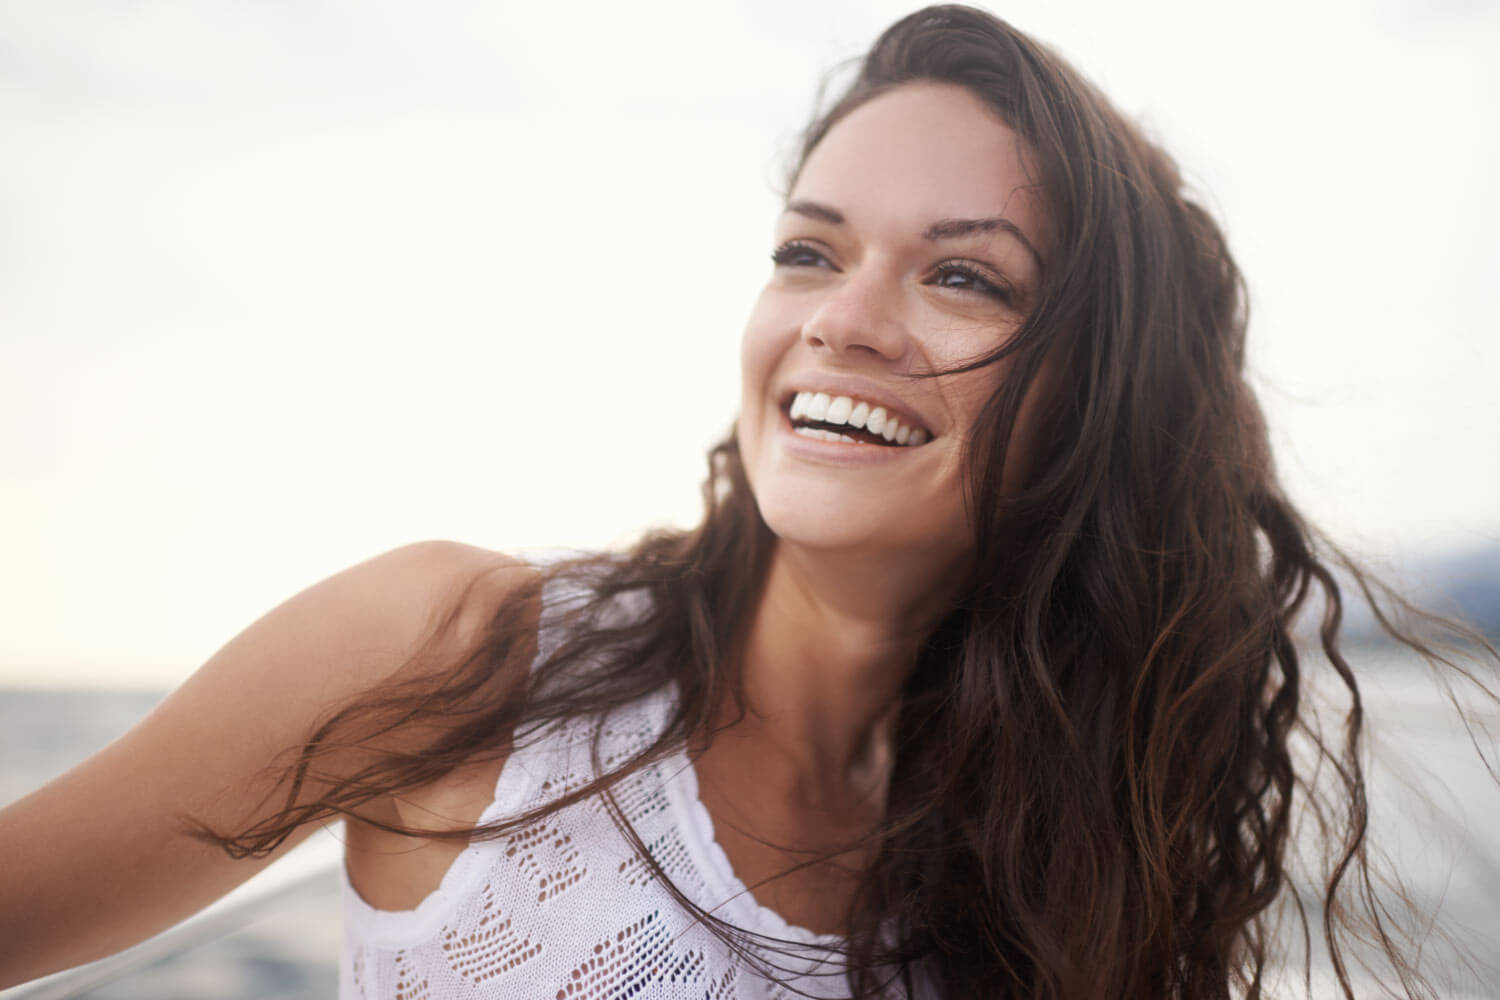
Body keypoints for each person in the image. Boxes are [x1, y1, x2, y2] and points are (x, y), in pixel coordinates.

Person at [0, 5, 1491, 998]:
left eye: (962, 275)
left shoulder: (1057, 862)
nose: (844, 318)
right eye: (809, 251)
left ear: (1097, 399)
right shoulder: (460, 652)